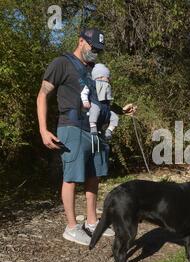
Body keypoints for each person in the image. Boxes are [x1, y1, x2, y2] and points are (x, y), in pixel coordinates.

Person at [37, 27, 136, 245]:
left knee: (93, 175)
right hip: (71, 127)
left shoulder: (92, 70)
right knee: (72, 177)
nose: (95, 52)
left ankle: (92, 222)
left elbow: (100, 101)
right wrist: (43, 129)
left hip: (93, 131)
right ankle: (72, 227)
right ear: (81, 41)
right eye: (93, 47)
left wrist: (121, 110)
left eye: (99, 50)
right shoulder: (61, 63)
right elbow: (43, 94)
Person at [80, 63, 119, 142]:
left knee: (115, 117)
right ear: (100, 76)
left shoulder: (107, 86)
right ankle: (93, 126)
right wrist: (85, 101)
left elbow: (108, 99)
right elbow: (84, 92)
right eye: (107, 77)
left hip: (105, 110)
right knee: (95, 109)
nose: (108, 79)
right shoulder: (92, 84)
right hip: (96, 104)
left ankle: (109, 130)